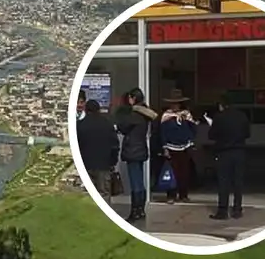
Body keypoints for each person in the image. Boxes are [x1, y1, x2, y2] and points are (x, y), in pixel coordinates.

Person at [114, 87, 158, 223]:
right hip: (141, 149)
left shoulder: (134, 115)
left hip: (132, 151)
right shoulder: (146, 115)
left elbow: (123, 127)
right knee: (140, 181)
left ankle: (135, 211)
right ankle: (141, 210)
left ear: (133, 98)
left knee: (135, 183)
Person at [207, 95, 251, 219]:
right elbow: (247, 134)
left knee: (223, 182)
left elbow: (211, 135)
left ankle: (222, 210)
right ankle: (237, 209)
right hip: (239, 151)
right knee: (238, 181)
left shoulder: (219, 117)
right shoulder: (242, 116)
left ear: (221, 105)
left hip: (223, 153)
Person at [76, 99, 119, 203]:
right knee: (103, 193)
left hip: (86, 164)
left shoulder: (80, 125)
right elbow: (115, 145)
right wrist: (113, 162)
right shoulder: (107, 124)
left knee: (88, 194)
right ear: (99, 110)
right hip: (103, 164)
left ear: (86, 110)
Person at [159, 89, 197, 204]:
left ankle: (183, 195)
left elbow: (193, 130)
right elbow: (162, 133)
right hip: (171, 148)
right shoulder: (166, 116)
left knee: (184, 172)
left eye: (177, 103)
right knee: (171, 172)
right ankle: (171, 195)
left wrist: (189, 122)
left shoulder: (186, 115)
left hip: (185, 147)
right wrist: (164, 147)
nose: (175, 105)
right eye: (173, 103)